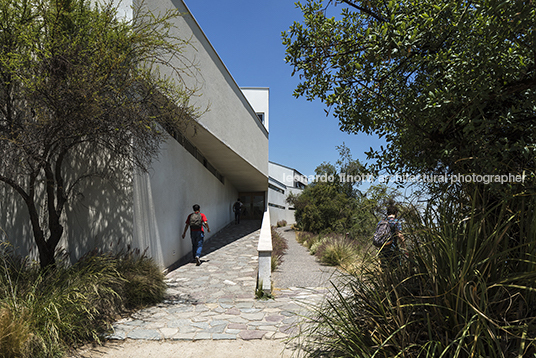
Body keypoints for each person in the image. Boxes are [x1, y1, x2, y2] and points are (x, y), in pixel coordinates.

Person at [378, 204, 405, 270]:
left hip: (382, 250)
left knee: (385, 270)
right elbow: (400, 235)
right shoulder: (396, 222)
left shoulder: (381, 222)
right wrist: (404, 248)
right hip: (392, 250)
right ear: (395, 212)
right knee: (396, 270)